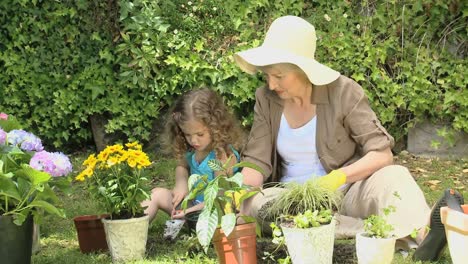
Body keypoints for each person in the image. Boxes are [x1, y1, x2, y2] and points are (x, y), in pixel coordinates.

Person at [233, 15, 463, 260]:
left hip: (346, 192)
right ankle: (375, 231)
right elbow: (256, 162)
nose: (271, 84)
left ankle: (422, 234)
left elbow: (381, 154)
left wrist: (337, 178)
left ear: (304, 70)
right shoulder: (266, 99)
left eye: (279, 76)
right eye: (267, 75)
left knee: (395, 176)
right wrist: (240, 192)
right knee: (257, 205)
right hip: (291, 199)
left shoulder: (344, 91)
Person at [141, 88, 244, 222]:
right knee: (156, 195)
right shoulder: (192, 150)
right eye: (187, 134)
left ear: (215, 127)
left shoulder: (222, 155)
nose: (193, 140)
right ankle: (131, 229)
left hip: (214, 213)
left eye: (200, 134)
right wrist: (181, 183)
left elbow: (220, 198)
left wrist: (188, 212)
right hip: (192, 206)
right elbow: (181, 166)